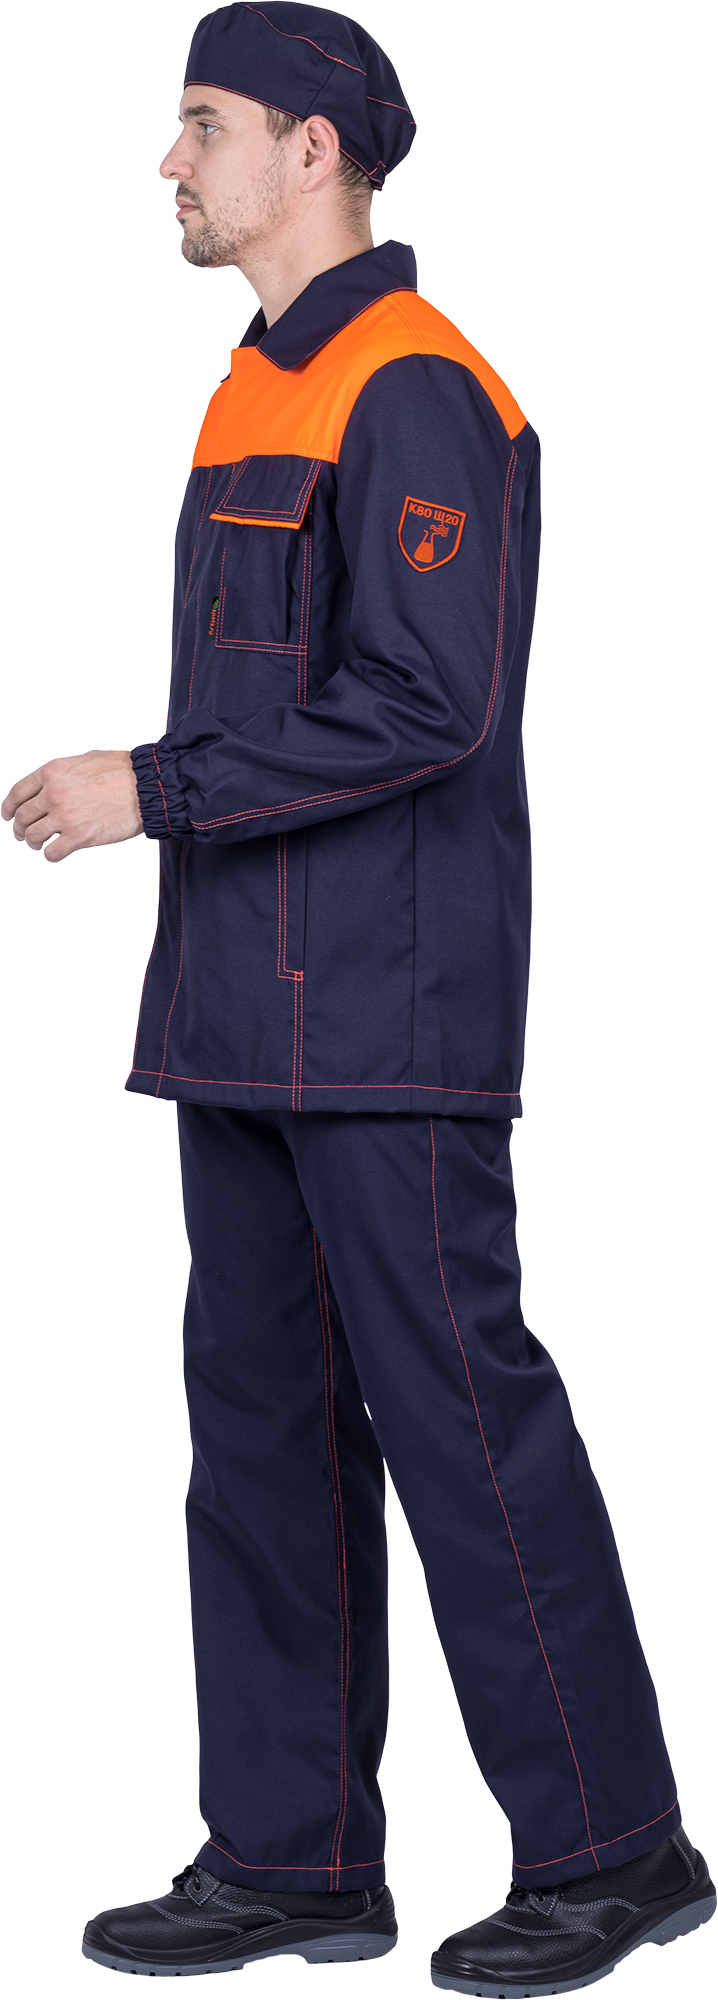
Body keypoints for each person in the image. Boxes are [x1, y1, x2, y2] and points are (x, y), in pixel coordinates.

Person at [3, 4, 714, 1991]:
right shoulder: (260, 380)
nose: (170, 163)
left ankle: (618, 1848)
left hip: (387, 1015)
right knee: (256, 1433)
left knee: (461, 1424)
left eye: (202, 123)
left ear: (310, 149)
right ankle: (294, 1856)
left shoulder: (418, 388)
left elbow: (429, 702)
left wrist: (145, 788)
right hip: (242, 1008)